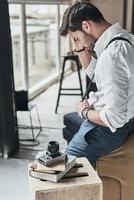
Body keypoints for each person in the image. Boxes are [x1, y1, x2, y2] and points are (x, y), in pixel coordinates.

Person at [60, 0, 134, 166]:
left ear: (86, 26)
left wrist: (84, 111)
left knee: (65, 166)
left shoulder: (112, 55)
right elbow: (97, 73)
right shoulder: (125, 39)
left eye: (77, 38)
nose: (79, 44)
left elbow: (114, 118)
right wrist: (80, 48)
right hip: (125, 120)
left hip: (109, 130)